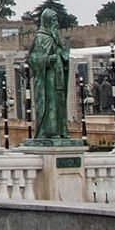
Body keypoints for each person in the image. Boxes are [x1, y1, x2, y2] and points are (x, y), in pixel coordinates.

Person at [26, 8, 70, 139]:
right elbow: (32, 58)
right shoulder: (40, 37)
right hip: (48, 78)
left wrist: (65, 54)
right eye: (54, 20)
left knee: (61, 104)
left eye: (56, 20)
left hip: (59, 76)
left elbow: (63, 56)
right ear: (47, 21)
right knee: (51, 103)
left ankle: (62, 130)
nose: (56, 23)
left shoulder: (56, 38)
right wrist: (46, 60)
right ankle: (50, 132)